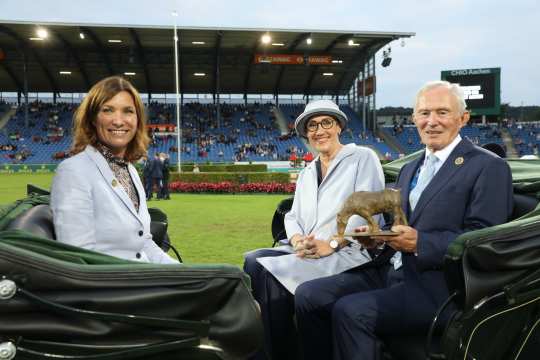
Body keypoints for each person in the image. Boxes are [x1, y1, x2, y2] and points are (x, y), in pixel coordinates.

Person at [294, 81, 513, 360]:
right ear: (414, 119)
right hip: (390, 270)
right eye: (424, 113)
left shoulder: (488, 166)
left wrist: (420, 243)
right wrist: (375, 236)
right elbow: (395, 223)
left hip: (440, 285)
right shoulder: (410, 167)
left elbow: (485, 240)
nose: (431, 122)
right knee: (308, 296)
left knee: (351, 311)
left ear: (463, 118)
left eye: (442, 113)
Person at [243, 99, 385, 360]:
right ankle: (270, 350)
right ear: (306, 133)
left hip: (348, 252)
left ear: (339, 126)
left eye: (326, 123)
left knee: (268, 276)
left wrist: (332, 243)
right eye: (312, 126)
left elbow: (366, 210)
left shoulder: (362, 157)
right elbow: (293, 215)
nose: (319, 131)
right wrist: (297, 239)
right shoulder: (308, 170)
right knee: (251, 261)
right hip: (309, 250)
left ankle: (281, 353)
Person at [51, 76, 178, 264]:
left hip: (140, 282)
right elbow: (78, 257)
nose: (119, 121)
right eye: (108, 110)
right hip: (112, 289)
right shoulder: (73, 171)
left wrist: (184, 272)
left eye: (128, 111)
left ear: (137, 120)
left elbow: (144, 243)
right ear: (93, 119)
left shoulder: (130, 171)